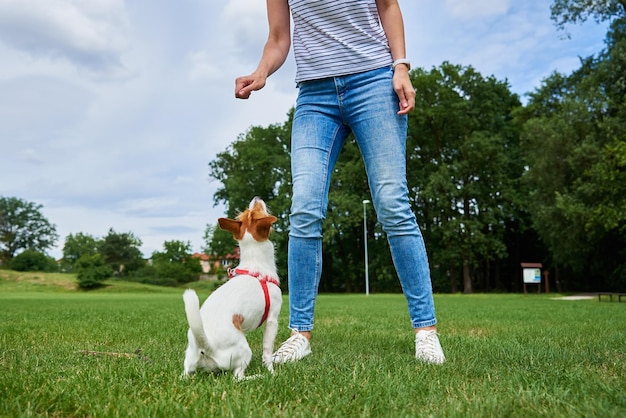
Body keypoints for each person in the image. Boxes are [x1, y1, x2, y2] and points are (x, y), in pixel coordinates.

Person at [234, 0, 445, 365]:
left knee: (393, 204)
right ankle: (300, 333)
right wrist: (262, 70)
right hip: (315, 96)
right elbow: (279, 38)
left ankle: (425, 331)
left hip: (374, 81)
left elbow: (388, 5)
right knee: (304, 209)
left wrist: (401, 66)